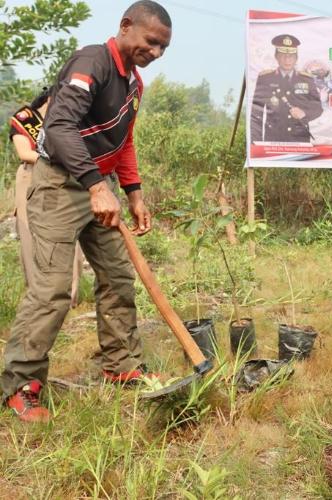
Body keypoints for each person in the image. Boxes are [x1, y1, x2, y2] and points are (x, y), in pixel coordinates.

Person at [1, 0, 172, 423]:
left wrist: (132, 193)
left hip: (102, 189)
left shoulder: (133, 84)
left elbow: (124, 141)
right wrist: (97, 186)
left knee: (117, 276)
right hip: (61, 184)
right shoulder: (93, 61)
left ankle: (121, 366)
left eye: (163, 48)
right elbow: (58, 127)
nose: (155, 53)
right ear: (126, 26)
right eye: (151, 42)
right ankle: (20, 386)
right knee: (53, 290)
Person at [9, 88, 85, 309]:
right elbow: (24, 153)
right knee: (30, 236)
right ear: (53, 97)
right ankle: (39, 298)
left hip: (65, 179)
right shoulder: (26, 118)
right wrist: (61, 159)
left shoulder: (69, 121)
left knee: (69, 234)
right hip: (32, 177)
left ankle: (68, 297)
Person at [250, 34, 323, 143]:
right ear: (276, 57)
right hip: (273, 141)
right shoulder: (265, 79)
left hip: (300, 140)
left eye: (291, 56)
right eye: (283, 55)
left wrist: (304, 113)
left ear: (296, 58)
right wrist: (255, 143)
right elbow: (256, 114)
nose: (287, 60)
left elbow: (317, 108)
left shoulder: (306, 79)